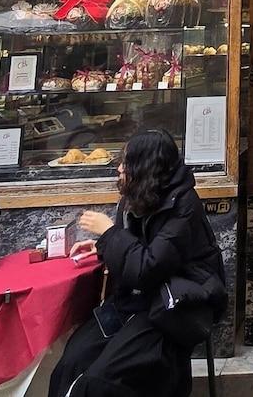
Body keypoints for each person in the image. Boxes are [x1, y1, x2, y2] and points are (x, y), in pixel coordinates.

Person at [49, 129, 226, 397]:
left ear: (146, 167)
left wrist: (109, 234)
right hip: (132, 300)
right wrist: (102, 247)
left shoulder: (184, 205)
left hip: (173, 306)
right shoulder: (136, 195)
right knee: (70, 364)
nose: (119, 168)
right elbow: (134, 247)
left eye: (127, 162)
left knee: (100, 381)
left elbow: (148, 268)